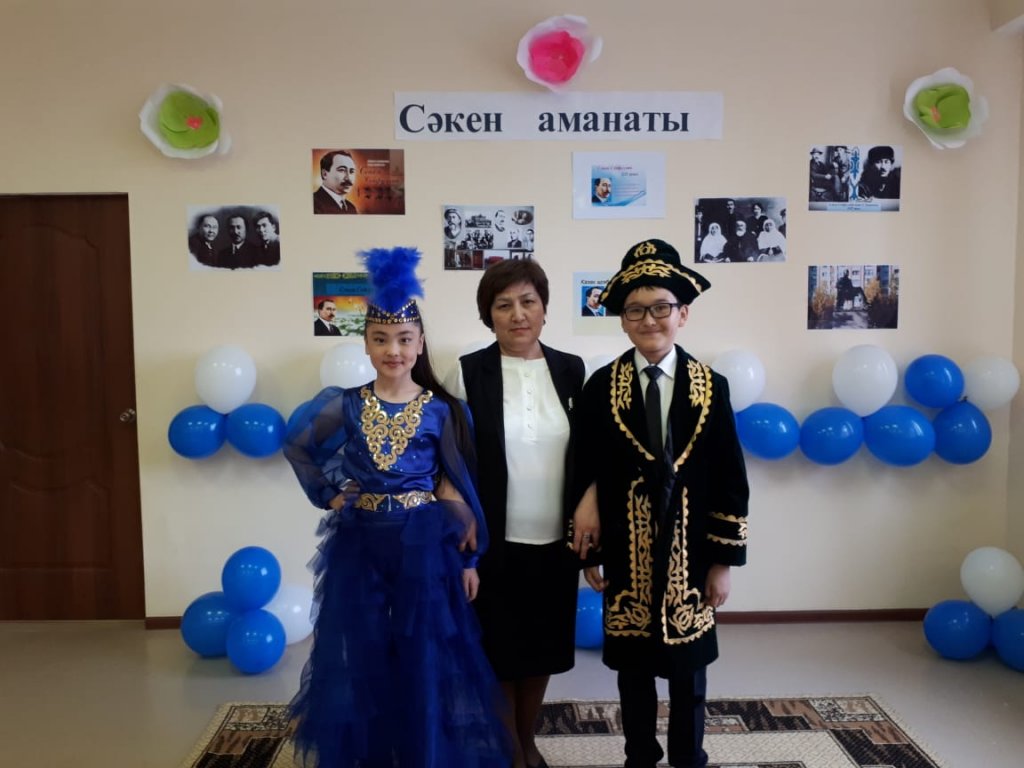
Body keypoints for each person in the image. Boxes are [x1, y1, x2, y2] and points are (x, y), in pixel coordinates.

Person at [284, 246, 509, 768]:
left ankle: (423, 751)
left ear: (420, 343)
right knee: (362, 650)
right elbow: (299, 445)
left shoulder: (442, 410)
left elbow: (458, 484)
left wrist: (469, 559)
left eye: (405, 339)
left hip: (424, 547)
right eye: (381, 338)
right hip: (359, 544)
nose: (394, 350)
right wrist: (331, 493)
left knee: (424, 654)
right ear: (365, 343)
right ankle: (370, 752)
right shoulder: (346, 403)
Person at [569, 239, 749, 768]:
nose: (649, 320)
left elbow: (731, 479)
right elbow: (584, 467)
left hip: (691, 556)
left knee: (690, 673)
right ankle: (639, 756)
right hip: (627, 551)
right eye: (635, 310)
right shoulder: (602, 388)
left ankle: (689, 756)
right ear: (622, 321)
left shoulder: (711, 388)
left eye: (661, 307)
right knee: (633, 673)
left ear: (683, 314)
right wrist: (590, 550)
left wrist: (722, 563)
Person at [449, 259, 585, 768]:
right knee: (500, 653)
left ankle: (527, 741)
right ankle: (511, 751)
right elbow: (450, 461)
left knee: (541, 650)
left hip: (556, 539)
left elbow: (587, 452)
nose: (517, 314)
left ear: (545, 308)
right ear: (489, 315)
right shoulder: (467, 372)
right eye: (503, 305)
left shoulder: (572, 370)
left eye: (528, 301)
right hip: (492, 540)